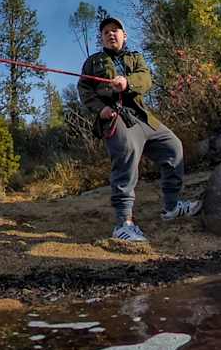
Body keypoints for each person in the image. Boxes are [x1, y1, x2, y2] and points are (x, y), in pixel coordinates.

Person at [77, 16, 201, 242]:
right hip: (115, 118)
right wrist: (100, 109)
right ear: (102, 38)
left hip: (142, 117)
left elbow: (146, 79)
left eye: (115, 30)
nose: (110, 34)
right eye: (106, 32)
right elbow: (84, 89)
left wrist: (127, 83)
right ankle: (123, 224)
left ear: (124, 35)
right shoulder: (92, 62)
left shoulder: (136, 58)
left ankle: (172, 207)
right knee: (126, 158)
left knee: (173, 147)